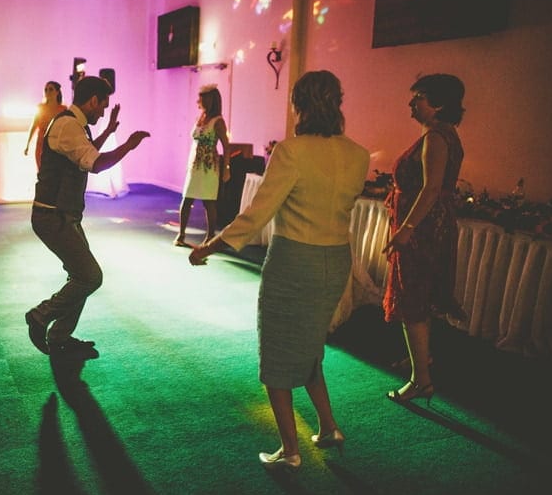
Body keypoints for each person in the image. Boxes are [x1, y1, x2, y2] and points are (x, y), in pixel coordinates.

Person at [188, 70, 369, 471]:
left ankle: (289, 450)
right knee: (310, 345)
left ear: (299, 104)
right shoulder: (358, 154)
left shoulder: (292, 151)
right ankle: (328, 427)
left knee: (276, 354)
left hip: (295, 261)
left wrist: (209, 246)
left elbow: (256, 214)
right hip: (337, 259)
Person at [25, 76, 149, 356]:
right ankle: (40, 316)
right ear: (93, 100)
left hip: (63, 215)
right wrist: (128, 145)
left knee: (80, 275)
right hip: (52, 216)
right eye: (103, 106)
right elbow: (96, 163)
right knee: (90, 277)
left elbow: (86, 151)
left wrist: (109, 130)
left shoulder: (74, 125)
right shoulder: (68, 125)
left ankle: (59, 337)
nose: (103, 112)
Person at [382, 74, 465, 404]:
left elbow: (431, 189)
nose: (411, 103)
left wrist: (406, 229)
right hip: (430, 225)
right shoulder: (444, 133)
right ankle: (421, 358)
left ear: (438, 104)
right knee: (421, 294)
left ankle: (421, 382)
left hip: (424, 229)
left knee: (412, 297)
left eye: (418, 97)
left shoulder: (436, 137)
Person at [174, 84, 231, 247]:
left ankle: (210, 235)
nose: (198, 101)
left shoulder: (218, 122)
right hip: (194, 165)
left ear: (210, 100)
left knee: (208, 202)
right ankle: (181, 234)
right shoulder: (200, 117)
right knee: (186, 199)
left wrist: (226, 168)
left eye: (202, 98)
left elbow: (226, 146)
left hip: (208, 167)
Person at [24, 80, 67, 169]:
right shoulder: (41, 108)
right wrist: (27, 144)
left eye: (51, 89)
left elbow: (66, 128)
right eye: (46, 89)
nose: (47, 92)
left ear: (57, 92)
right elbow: (34, 126)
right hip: (42, 144)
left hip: (57, 145)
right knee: (42, 170)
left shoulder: (63, 109)